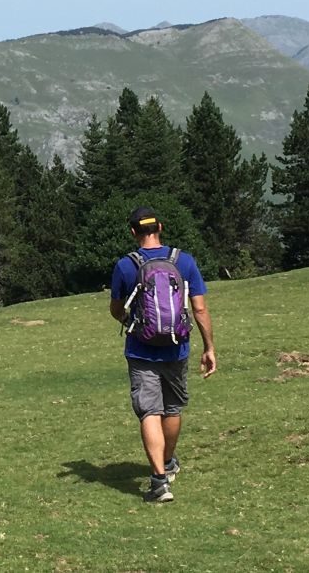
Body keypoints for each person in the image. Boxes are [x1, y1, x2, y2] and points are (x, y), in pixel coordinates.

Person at [109, 206, 216, 503]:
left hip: (140, 350)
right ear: (160, 227)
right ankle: (167, 463)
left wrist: (129, 322)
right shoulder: (184, 261)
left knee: (149, 411)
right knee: (172, 409)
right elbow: (199, 309)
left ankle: (159, 483)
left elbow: (116, 308)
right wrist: (209, 348)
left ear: (133, 232)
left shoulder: (126, 265)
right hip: (176, 347)